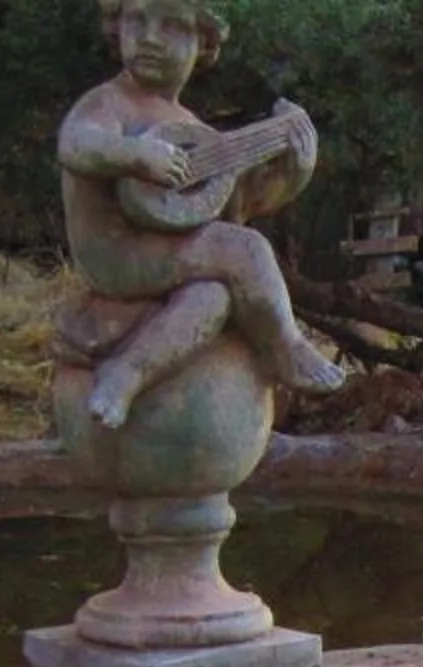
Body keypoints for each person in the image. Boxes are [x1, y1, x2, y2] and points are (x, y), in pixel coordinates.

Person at [57, 0, 345, 428]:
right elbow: (76, 143)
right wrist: (136, 154)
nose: (150, 36)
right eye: (137, 20)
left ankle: (126, 374)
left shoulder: (190, 126)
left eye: (171, 25)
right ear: (117, 28)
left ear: (204, 43)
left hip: (166, 259)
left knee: (213, 298)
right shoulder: (109, 102)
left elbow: (229, 209)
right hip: (116, 255)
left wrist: (294, 172)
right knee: (245, 250)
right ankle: (283, 344)